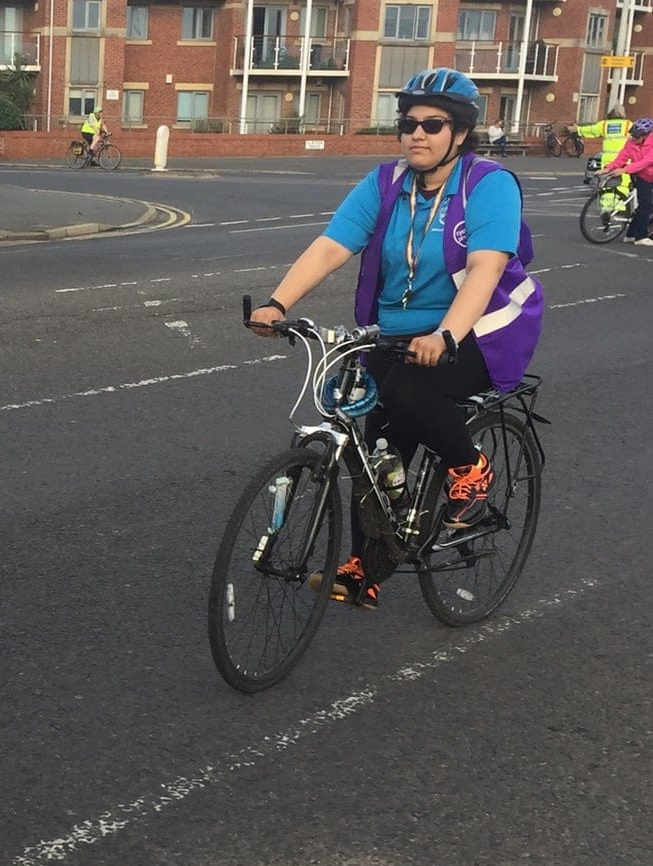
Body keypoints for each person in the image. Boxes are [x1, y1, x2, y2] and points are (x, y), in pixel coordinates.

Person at [248, 67, 542, 610]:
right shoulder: (385, 183)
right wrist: (278, 303)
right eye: (408, 123)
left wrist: (448, 336)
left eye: (434, 124)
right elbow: (332, 246)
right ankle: (368, 567)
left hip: (481, 327)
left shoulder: (488, 185)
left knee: (411, 392)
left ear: (460, 133)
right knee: (375, 443)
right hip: (399, 333)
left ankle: (470, 470)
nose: (417, 134)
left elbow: (483, 269)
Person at [601, 117, 653, 246]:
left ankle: (630, 234)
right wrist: (608, 168)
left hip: (646, 172)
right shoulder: (630, 143)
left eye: (637, 136)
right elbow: (621, 158)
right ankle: (640, 237)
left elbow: (647, 161)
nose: (633, 139)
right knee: (645, 205)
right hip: (642, 176)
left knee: (645, 206)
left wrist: (625, 170)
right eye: (632, 136)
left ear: (646, 135)